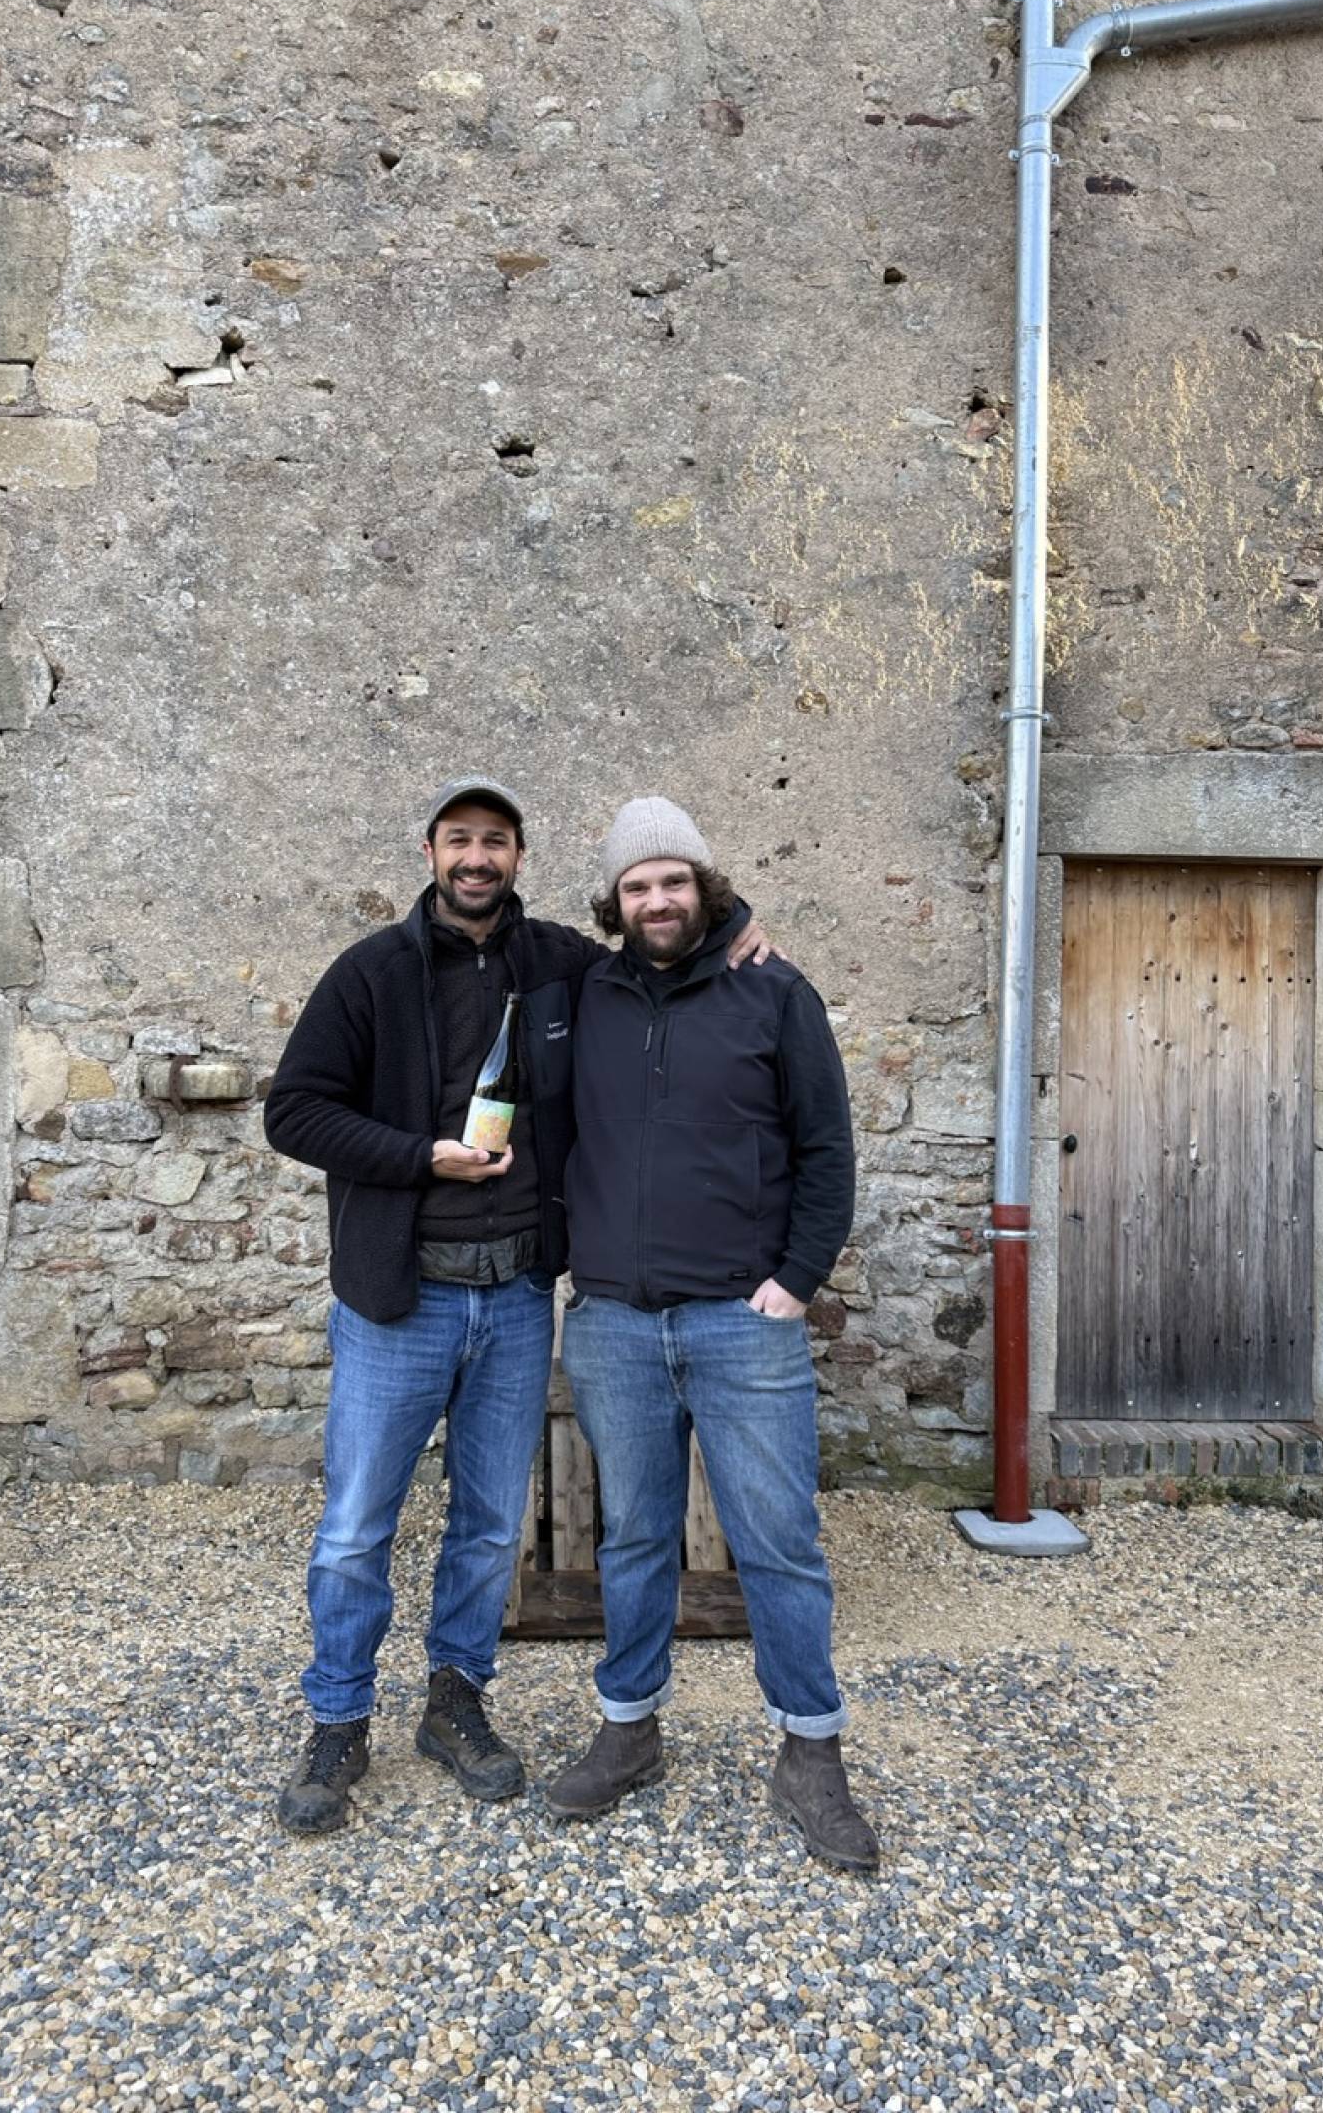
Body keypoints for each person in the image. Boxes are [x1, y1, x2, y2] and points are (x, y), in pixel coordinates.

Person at [263, 776, 772, 1838]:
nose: (477, 858)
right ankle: (338, 1720)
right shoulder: (368, 973)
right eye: (460, 840)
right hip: (398, 1304)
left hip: (516, 1301)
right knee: (358, 1527)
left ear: (521, 858)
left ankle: (456, 1704)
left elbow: (658, 950)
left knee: (490, 1528)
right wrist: (418, 1158)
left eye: (496, 842)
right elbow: (294, 1111)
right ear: (431, 850)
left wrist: (740, 932)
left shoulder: (558, 964)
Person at [547, 796, 879, 1874]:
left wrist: (794, 1282)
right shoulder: (580, 992)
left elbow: (826, 1152)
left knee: (779, 1541)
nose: (657, 900)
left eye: (675, 881)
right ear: (614, 902)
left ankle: (811, 1754)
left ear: (707, 887)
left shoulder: (772, 991)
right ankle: (630, 1728)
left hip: (744, 1324)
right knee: (634, 1539)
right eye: (637, 886)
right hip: (615, 1325)